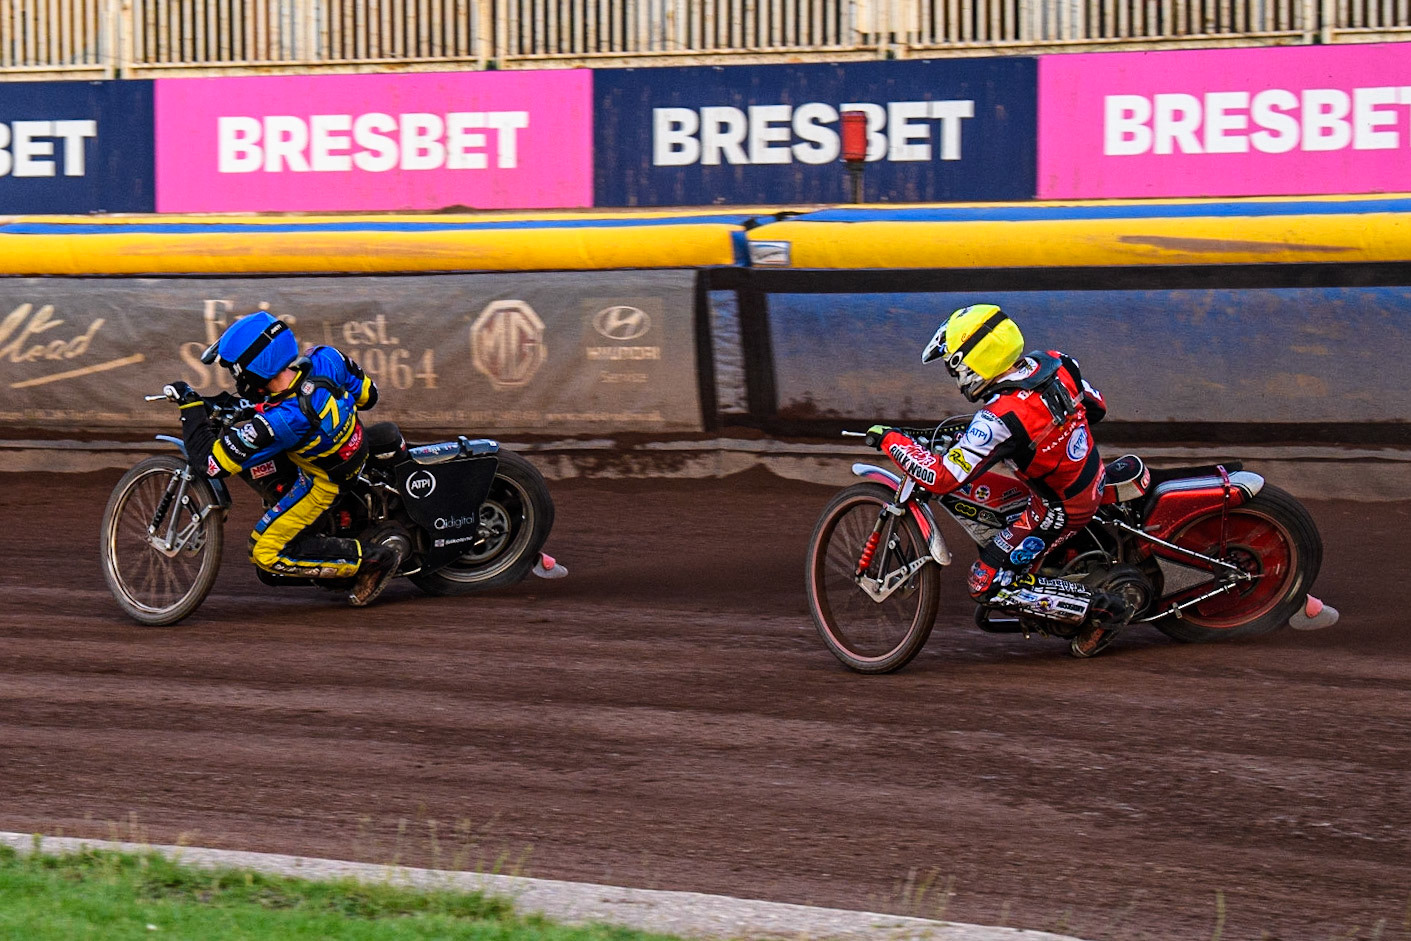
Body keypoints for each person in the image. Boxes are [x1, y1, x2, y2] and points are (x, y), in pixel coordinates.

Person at [864, 303, 1134, 657]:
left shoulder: (998, 419)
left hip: (1060, 506)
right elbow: (1097, 407)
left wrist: (890, 440)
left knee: (984, 583)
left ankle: (1103, 612)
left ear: (973, 362)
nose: (952, 373)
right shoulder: (1056, 362)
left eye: (953, 365)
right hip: (1085, 474)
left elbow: (943, 478)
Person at [169, 310, 403, 607]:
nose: (235, 377)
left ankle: (373, 560)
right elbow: (369, 396)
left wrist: (190, 409)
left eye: (236, 370)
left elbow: (212, 464)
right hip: (355, 445)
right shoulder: (325, 358)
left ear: (252, 369)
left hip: (323, 481)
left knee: (264, 551)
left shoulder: (281, 421)